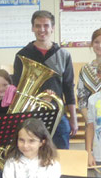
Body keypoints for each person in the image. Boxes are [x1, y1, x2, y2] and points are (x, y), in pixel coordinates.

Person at [13, 10, 78, 149]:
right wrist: (38, 100)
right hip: (31, 115)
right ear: (32, 28)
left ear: (52, 28)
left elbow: (68, 88)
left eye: (46, 25)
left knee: (62, 159)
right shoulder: (22, 55)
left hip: (58, 115)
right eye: (38, 26)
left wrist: (73, 118)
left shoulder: (63, 55)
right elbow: (18, 89)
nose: (42, 29)